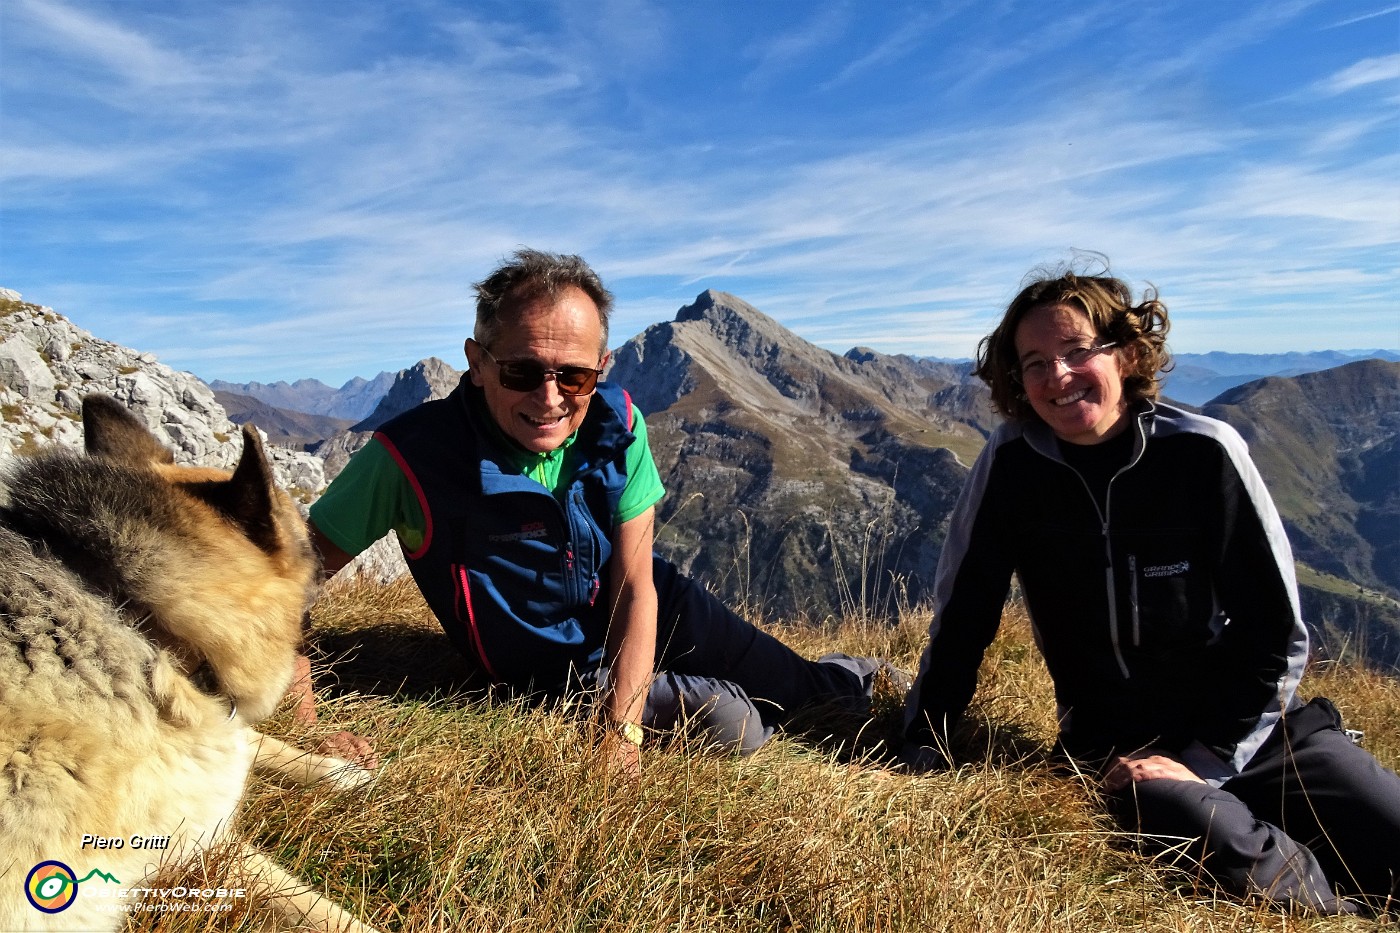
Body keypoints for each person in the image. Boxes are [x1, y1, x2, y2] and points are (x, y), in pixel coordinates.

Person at [899, 263, 1400, 913]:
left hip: (1260, 733)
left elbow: (1275, 630)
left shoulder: (1203, 451)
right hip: (1116, 750)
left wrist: (1207, 758)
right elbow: (965, 614)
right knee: (1218, 839)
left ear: (1127, 353)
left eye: (1078, 351)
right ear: (1016, 380)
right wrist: (919, 739)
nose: (1057, 376)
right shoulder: (1011, 466)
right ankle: (1343, 913)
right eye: (1034, 362)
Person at [303, 248, 889, 774]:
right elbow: (279, 582)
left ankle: (858, 675)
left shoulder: (621, 424)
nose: (551, 397)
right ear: (477, 363)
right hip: (558, 669)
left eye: (575, 375)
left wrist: (619, 732)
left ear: (600, 367)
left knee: (809, 692)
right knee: (735, 725)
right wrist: (302, 712)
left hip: (648, 599)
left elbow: (635, 584)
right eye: (522, 372)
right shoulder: (409, 458)